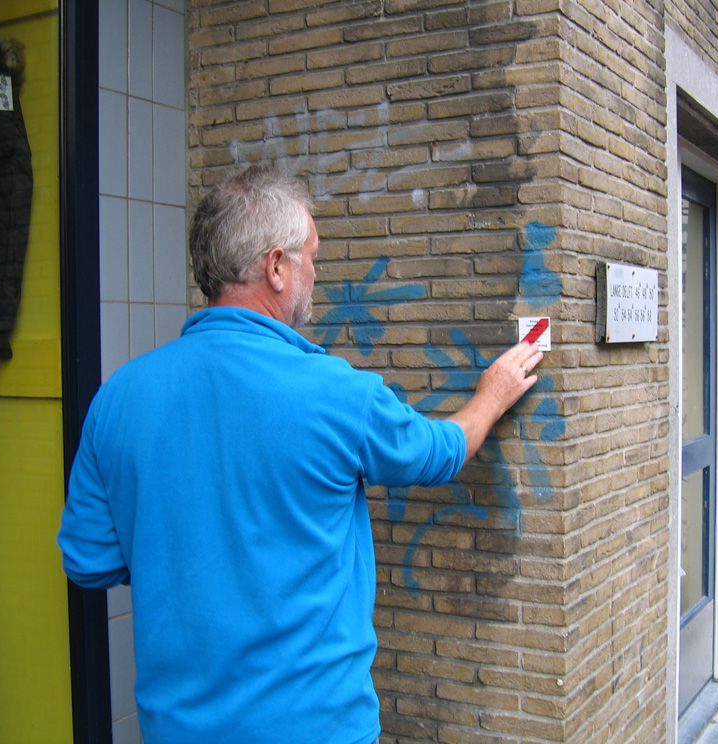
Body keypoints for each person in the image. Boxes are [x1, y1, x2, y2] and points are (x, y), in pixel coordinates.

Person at [57, 165, 543, 744]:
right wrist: (491, 397)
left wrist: (183, 554)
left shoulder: (118, 398)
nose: (316, 272)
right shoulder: (336, 394)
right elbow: (436, 453)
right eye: (311, 256)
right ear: (276, 267)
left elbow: (89, 562)